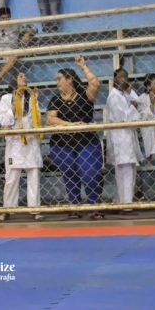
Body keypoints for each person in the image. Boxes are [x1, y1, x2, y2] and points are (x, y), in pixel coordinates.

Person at [46, 56, 103, 219]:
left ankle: (94, 205)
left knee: (90, 174)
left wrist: (83, 67)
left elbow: (95, 83)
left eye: (59, 79)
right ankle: (75, 206)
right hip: (62, 145)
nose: (57, 83)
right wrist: (72, 125)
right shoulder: (56, 100)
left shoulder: (84, 96)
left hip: (86, 142)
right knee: (70, 175)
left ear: (69, 79)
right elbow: (51, 119)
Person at [0, 72, 44, 221]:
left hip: (31, 142)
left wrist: (35, 100)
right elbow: (3, 121)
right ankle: (8, 209)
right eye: (20, 76)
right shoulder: (6, 98)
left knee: (34, 176)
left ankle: (35, 210)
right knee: (11, 178)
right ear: (14, 81)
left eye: (25, 76)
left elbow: (37, 119)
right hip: (14, 143)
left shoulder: (32, 97)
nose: (24, 78)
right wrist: (13, 107)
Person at [105, 67, 143, 211]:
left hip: (128, 136)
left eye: (126, 77)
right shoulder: (114, 96)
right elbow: (124, 117)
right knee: (125, 172)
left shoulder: (124, 94)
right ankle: (126, 205)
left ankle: (124, 202)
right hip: (121, 138)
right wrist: (133, 107)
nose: (123, 80)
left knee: (129, 171)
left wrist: (130, 91)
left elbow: (139, 102)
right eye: (120, 77)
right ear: (114, 79)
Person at [0, 7, 35, 85]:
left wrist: (28, 34)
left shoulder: (16, 24)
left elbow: (34, 28)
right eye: (3, 18)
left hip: (10, 49)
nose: (5, 20)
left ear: (10, 16)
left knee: (13, 56)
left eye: (7, 18)